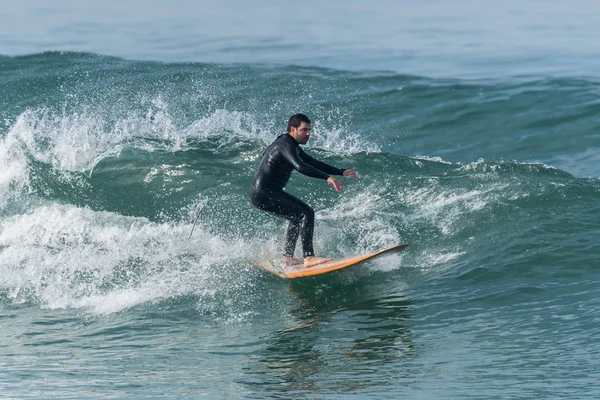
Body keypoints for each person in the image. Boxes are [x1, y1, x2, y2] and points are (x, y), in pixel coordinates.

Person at [249, 113, 358, 268]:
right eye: (304, 130)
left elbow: (312, 162)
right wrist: (327, 178)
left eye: (309, 130)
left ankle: (288, 258)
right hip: (263, 192)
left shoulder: (292, 145)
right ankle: (309, 257)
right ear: (293, 129)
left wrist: (341, 171)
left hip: (262, 192)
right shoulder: (285, 145)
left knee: (296, 217)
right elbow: (300, 166)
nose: (308, 134)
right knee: (306, 212)